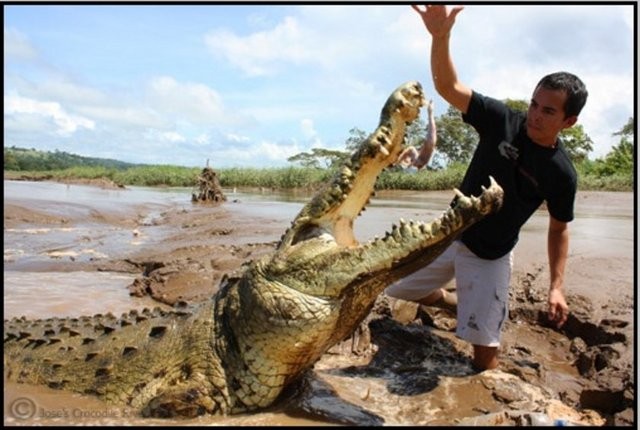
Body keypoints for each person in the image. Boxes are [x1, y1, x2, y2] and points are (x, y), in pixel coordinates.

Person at [385, 4, 588, 371]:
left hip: (490, 254)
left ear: (568, 121)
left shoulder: (561, 173)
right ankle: (452, 302)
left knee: (484, 360)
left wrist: (556, 286)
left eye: (548, 112)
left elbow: (560, 229)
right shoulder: (501, 120)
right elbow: (448, 87)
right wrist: (440, 37)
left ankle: (475, 309)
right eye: (534, 104)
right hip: (449, 235)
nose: (535, 116)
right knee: (390, 288)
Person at [397, 99, 437, 170]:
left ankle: (430, 108)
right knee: (431, 122)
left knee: (431, 121)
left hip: (428, 146)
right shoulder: (420, 159)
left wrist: (400, 160)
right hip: (429, 146)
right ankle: (430, 108)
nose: (412, 161)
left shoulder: (418, 159)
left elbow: (411, 150)